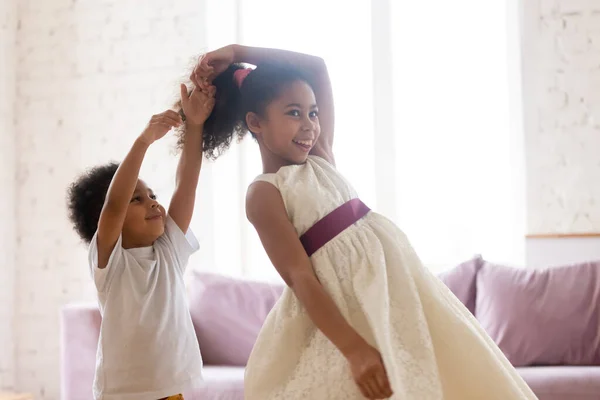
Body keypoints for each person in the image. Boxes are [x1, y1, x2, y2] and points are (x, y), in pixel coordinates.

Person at [188, 44, 537, 400]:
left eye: (313, 113)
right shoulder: (264, 193)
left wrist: (238, 51)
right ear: (255, 122)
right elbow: (300, 277)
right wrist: (354, 350)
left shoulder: (320, 157)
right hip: (343, 321)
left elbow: (318, 66)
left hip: (395, 298)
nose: (309, 126)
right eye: (294, 113)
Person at [66, 83, 215, 400]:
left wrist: (195, 125)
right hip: (124, 394)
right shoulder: (111, 262)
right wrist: (144, 141)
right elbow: (113, 206)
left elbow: (186, 182)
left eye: (152, 195)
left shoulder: (170, 252)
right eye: (137, 199)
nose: (152, 203)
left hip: (170, 390)